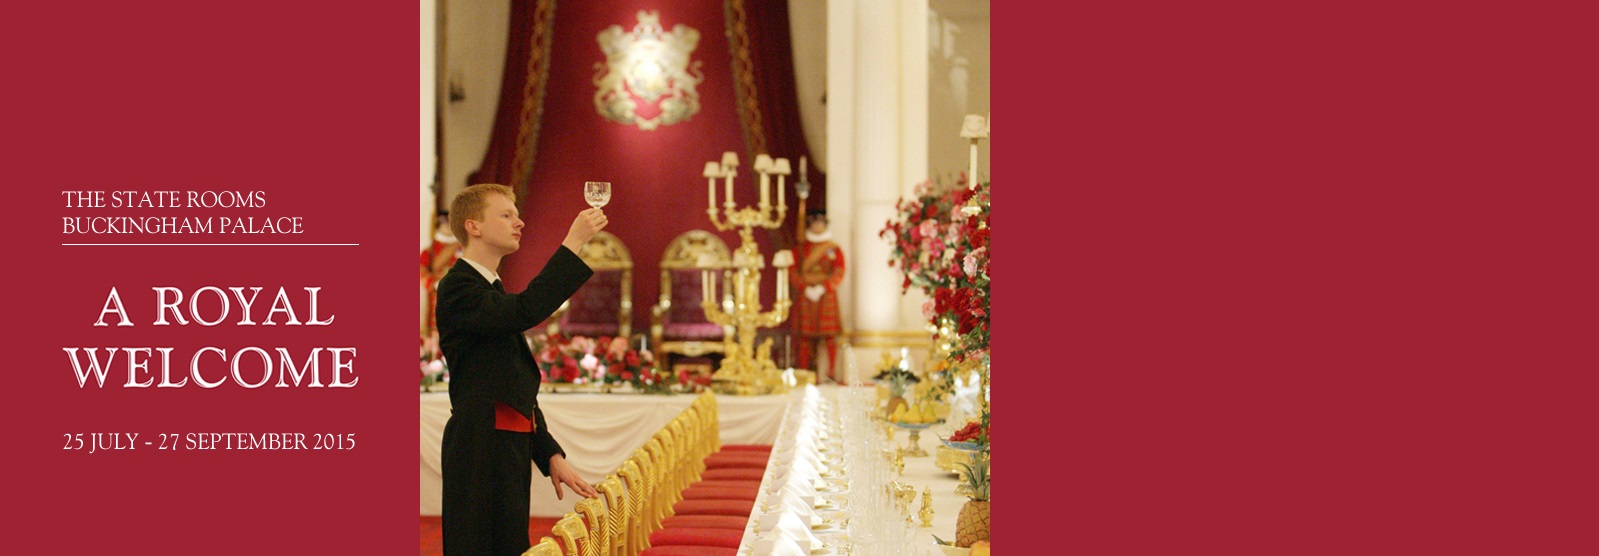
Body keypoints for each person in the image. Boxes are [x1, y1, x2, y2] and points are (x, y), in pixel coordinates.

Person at [436, 183, 607, 556]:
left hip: (502, 441)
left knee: (509, 545)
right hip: (478, 443)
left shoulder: (489, 288)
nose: (520, 222)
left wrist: (549, 454)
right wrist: (573, 243)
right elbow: (525, 311)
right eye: (506, 214)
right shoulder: (458, 287)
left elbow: (511, 382)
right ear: (473, 227)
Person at [792, 209, 845, 380]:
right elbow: (792, 271)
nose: (817, 227)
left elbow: (839, 270)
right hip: (806, 296)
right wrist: (804, 287)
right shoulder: (801, 248)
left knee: (829, 336)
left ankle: (831, 373)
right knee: (805, 337)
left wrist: (825, 287)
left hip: (826, 295)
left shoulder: (833, 249)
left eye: (820, 223)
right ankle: (804, 372)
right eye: (814, 223)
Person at [421, 210, 461, 337]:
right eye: (445, 224)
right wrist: (434, 284)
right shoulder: (430, 250)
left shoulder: (463, 247)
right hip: (437, 295)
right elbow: (421, 271)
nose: (448, 227)